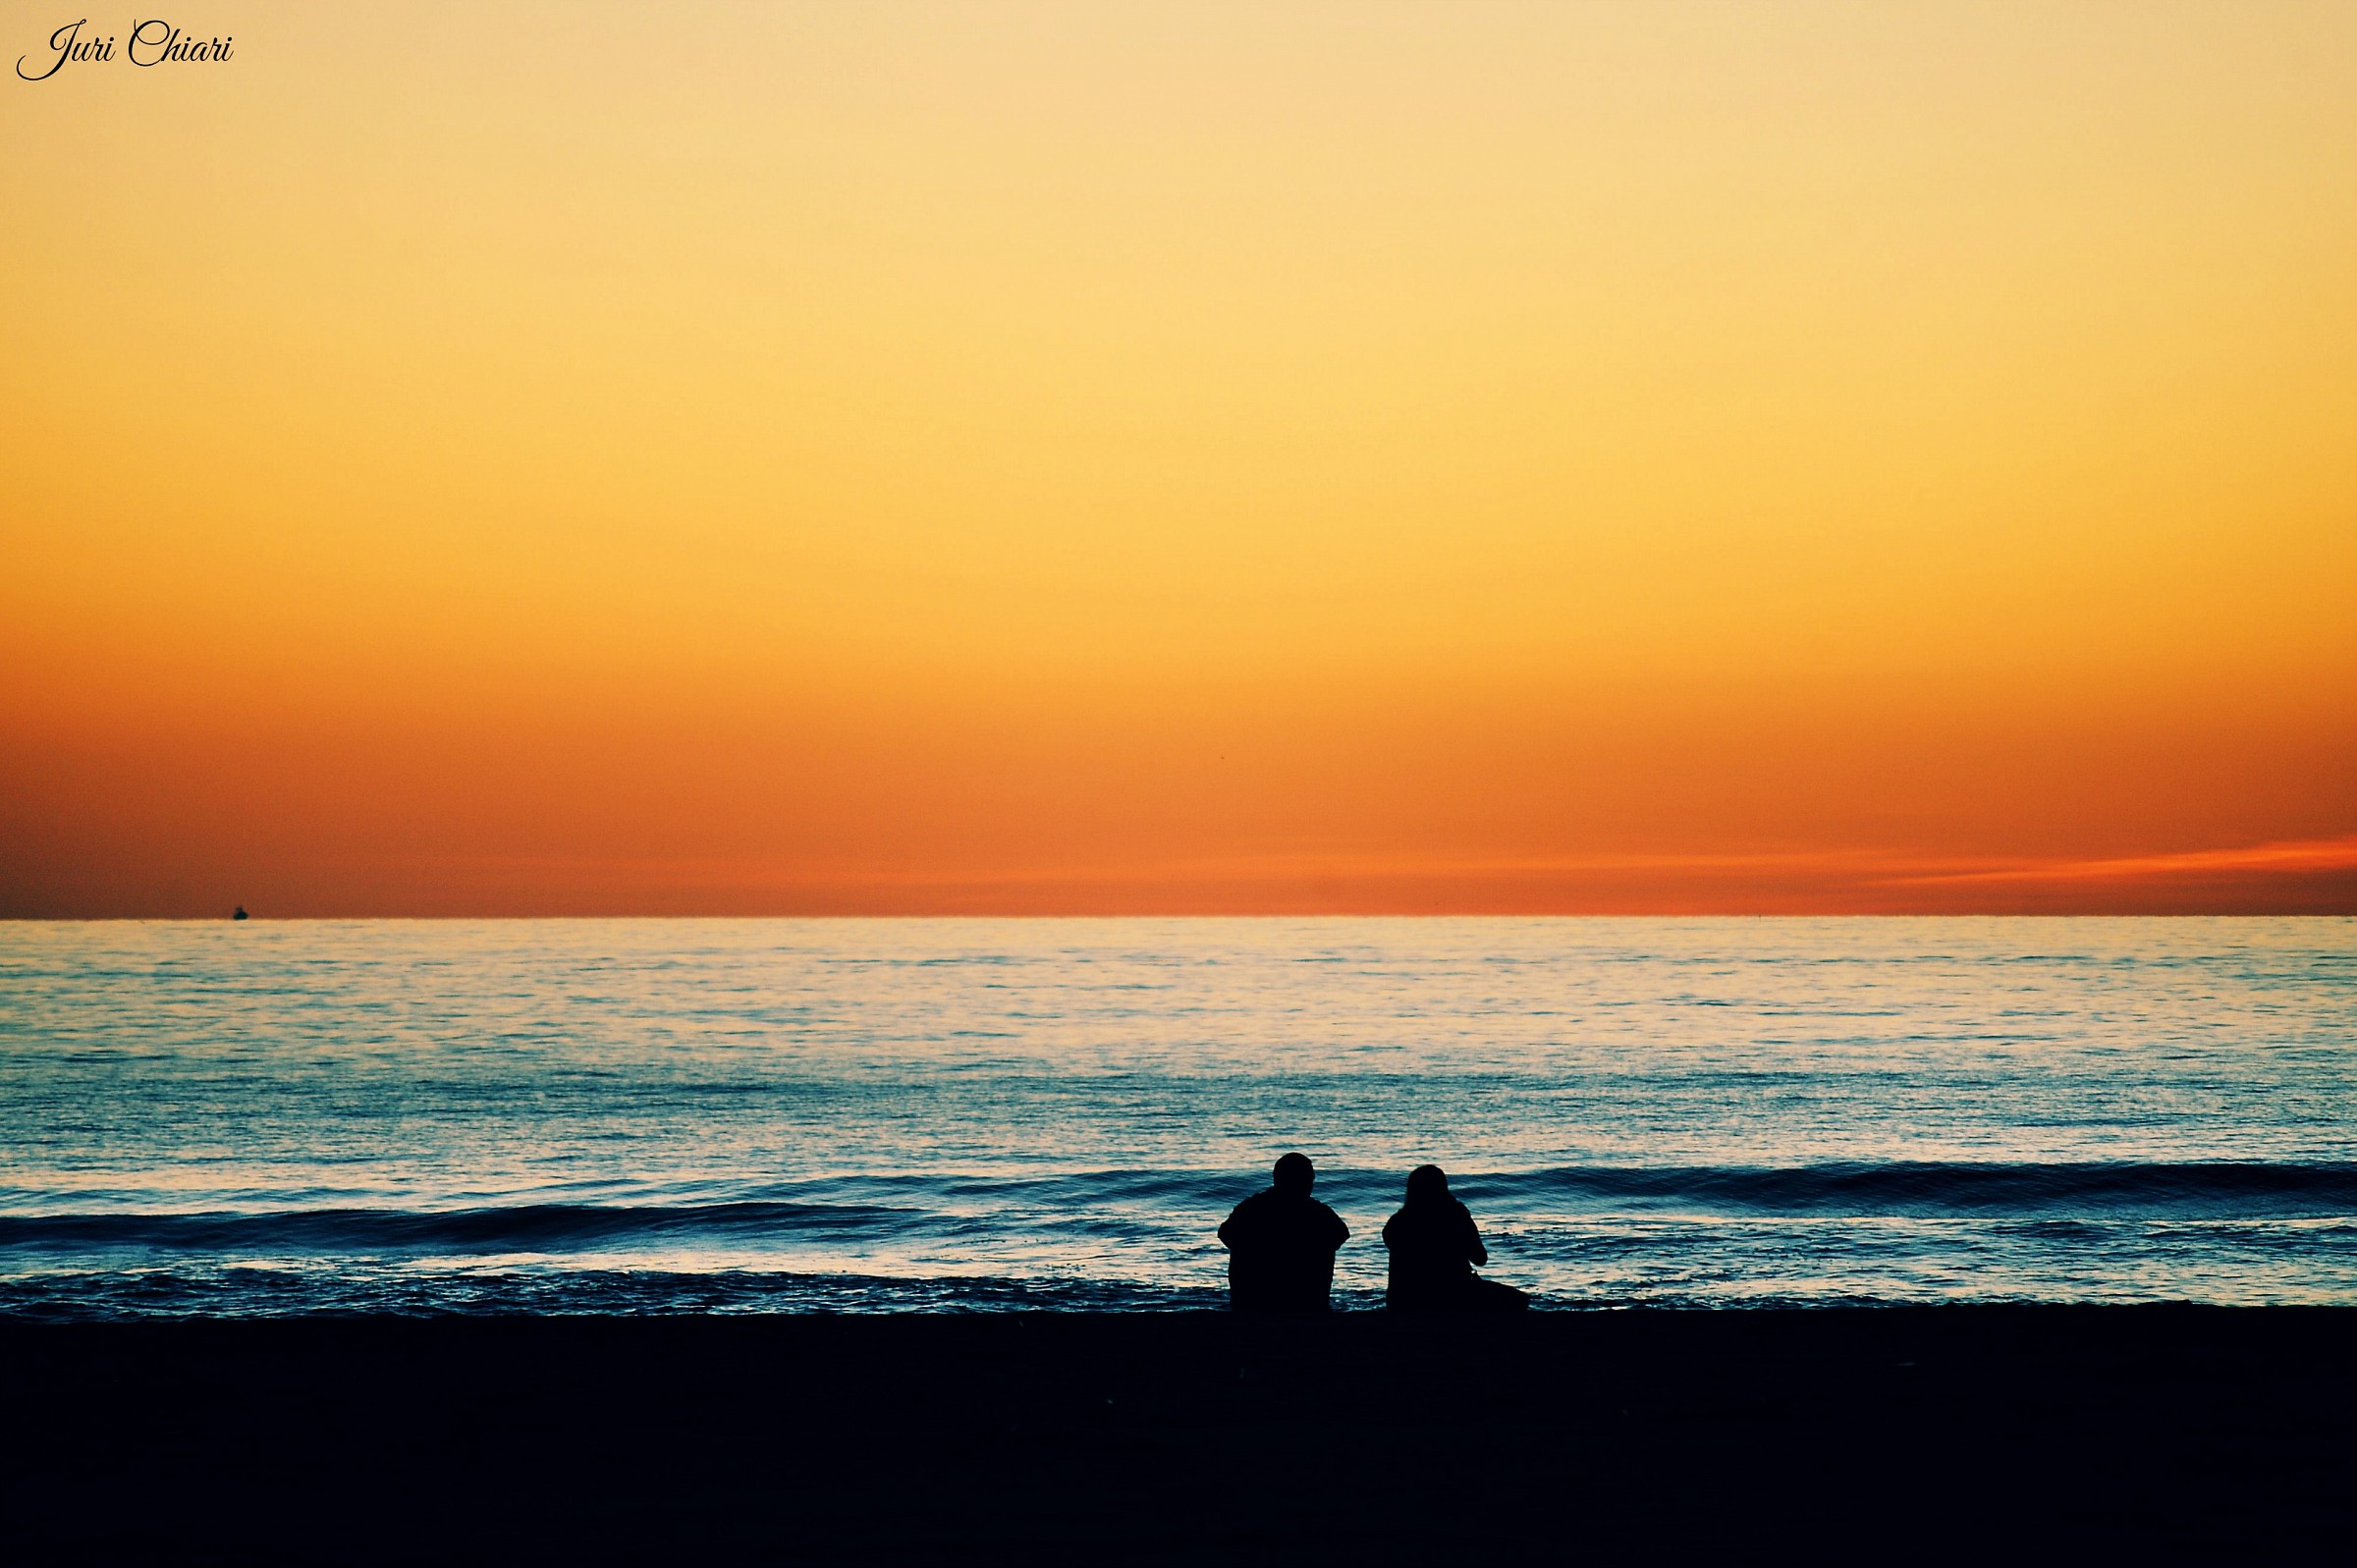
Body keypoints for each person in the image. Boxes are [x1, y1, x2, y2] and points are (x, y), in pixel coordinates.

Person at [1382, 1163, 1529, 1312]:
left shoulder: (1397, 1222)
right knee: (1519, 1300)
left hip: (1403, 1302)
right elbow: (1480, 1259)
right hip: (1452, 1297)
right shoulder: (1455, 1216)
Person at [1218, 1153, 1349, 1313]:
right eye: (1308, 1179)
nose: (1310, 1184)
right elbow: (1340, 1234)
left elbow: (1226, 1233)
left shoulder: (1253, 1207)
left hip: (1252, 1302)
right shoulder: (1316, 1211)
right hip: (1305, 1302)